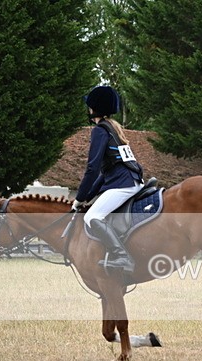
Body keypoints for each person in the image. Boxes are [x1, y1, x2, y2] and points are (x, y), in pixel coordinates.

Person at [73, 85, 143, 273]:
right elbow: (105, 173)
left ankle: (122, 256)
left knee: (92, 217)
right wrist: (88, 196)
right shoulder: (113, 128)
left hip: (123, 184)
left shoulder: (99, 130)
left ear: (94, 108)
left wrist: (79, 198)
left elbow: (92, 169)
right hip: (132, 180)